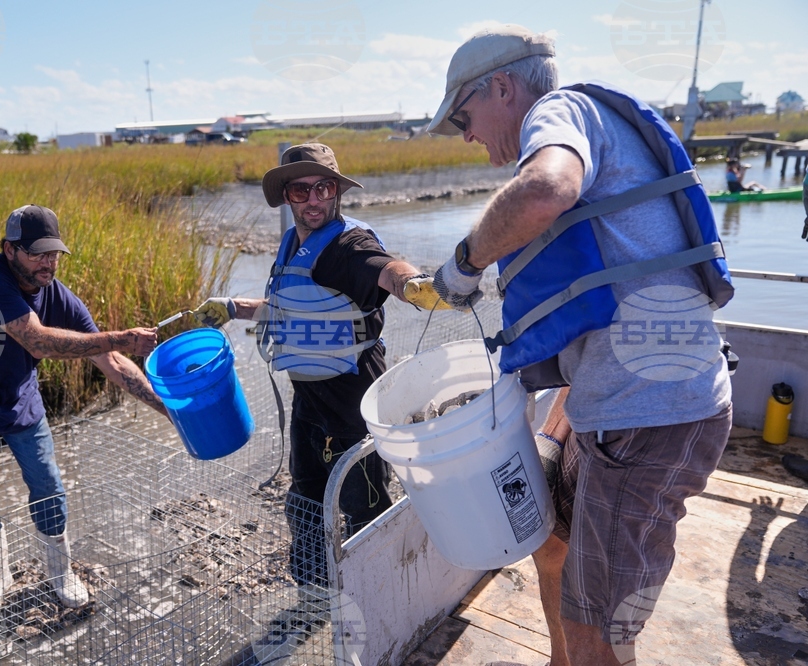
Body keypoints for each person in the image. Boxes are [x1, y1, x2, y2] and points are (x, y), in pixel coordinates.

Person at [428, 26, 733, 665]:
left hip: (650, 416)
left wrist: (464, 264)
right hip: (611, 404)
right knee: (551, 542)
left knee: (598, 630)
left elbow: (546, 190)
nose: (466, 133)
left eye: (464, 114)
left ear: (503, 88)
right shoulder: (591, 127)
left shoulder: (558, 112)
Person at [193, 143, 445, 597]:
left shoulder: (348, 246)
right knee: (304, 499)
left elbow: (386, 271)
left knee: (363, 504)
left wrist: (416, 286)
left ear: (338, 192)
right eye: (300, 190)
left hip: (352, 405)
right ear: (286, 197)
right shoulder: (294, 244)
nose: (312, 200)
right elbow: (291, 308)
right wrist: (233, 307)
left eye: (323, 188)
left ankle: (381, 598)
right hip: (309, 402)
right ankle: (315, 590)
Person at [0, 204, 169, 621]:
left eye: (54, 253)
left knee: (48, 483)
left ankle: (59, 571)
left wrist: (168, 409)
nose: (49, 262)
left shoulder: (57, 295)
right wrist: (125, 337)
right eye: (38, 253)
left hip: (16, 398)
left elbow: (110, 360)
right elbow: (39, 342)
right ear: (9, 250)